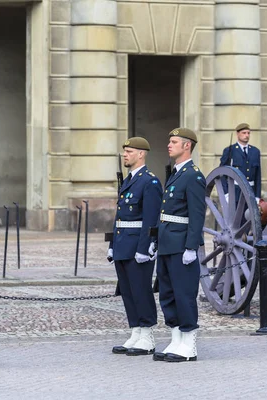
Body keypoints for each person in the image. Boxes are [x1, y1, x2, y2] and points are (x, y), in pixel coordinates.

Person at [149, 127, 206, 362]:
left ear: (187, 146)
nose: (169, 145)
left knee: (184, 294)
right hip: (167, 242)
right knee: (168, 294)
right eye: (169, 141)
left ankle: (189, 344)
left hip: (181, 244)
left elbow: (197, 214)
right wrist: (155, 240)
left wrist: (192, 247)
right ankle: (176, 339)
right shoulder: (175, 173)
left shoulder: (193, 175)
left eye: (174, 142)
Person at [108, 137, 163, 356]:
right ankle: (136, 331)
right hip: (123, 244)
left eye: (129, 151)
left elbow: (151, 220)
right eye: (125, 151)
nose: (125, 155)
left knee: (141, 290)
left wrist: (146, 247)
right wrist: (112, 244)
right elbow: (120, 215)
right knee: (128, 291)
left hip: (137, 246)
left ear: (141, 154)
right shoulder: (130, 180)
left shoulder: (149, 181)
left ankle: (147, 335)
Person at [219, 123, 261, 201]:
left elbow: (258, 176)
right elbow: (222, 174)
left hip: (251, 191)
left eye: (248, 133)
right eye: (244, 133)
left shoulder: (255, 151)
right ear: (237, 134)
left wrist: (257, 196)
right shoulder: (230, 150)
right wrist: (226, 194)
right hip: (235, 191)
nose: (247, 135)